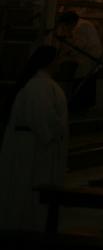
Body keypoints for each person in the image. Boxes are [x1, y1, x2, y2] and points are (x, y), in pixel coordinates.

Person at [0, 46, 68, 231]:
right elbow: (42, 118)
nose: (60, 62)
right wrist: (58, 128)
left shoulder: (40, 84)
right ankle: (28, 225)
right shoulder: (39, 86)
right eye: (58, 58)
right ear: (49, 61)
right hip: (34, 147)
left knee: (25, 185)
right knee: (29, 186)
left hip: (32, 144)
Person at [51, 11, 103, 112]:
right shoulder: (83, 25)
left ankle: (79, 107)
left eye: (65, 26)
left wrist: (64, 54)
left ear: (70, 22)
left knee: (83, 84)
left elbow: (78, 46)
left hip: (89, 59)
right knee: (84, 83)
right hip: (87, 59)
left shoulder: (81, 27)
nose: (65, 28)